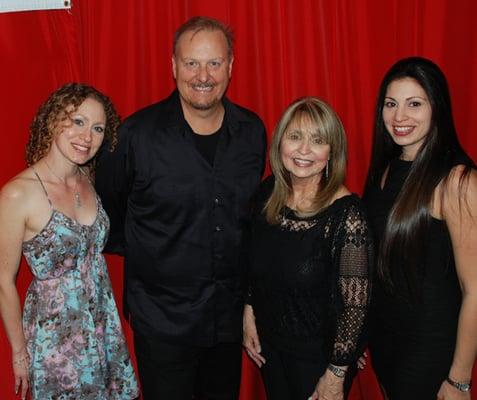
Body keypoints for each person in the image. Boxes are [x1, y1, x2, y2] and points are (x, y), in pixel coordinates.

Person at [95, 16, 267, 400]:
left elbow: (250, 221)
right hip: (162, 322)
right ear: (173, 67)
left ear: (231, 66)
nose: (202, 75)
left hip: (226, 320)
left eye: (214, 63)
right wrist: (156, 256)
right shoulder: (135, 136)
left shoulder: (253, 133)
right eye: (191, 63)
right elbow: (108, 216)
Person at [0, 83, 139, 400]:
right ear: (52, 120)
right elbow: (3, 281)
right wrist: (19, 353)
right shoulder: (18, 194)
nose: (87, 137)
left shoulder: (87, 178)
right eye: (78, 122)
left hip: (102, 324)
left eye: (98, 128)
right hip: (57, 340)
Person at [243, 97, 373, 400]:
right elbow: (254, 262)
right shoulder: (267, 192)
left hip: (319, 361)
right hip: (271, 350)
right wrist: (248, 312)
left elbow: (356, 305)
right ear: (280, 144)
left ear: (331, 153)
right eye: (295, 136)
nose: (303, 150)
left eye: (317, 140)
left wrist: (337, 371)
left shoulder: (348, 216)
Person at [363, 57, 477, 399]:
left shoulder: (457, 181)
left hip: (430, 353)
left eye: (414, 104)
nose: (399, 117)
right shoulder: (385, 169)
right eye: (391, 104)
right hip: (386, 345)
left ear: (436, 107)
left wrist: (459, 379)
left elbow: (475, 290)